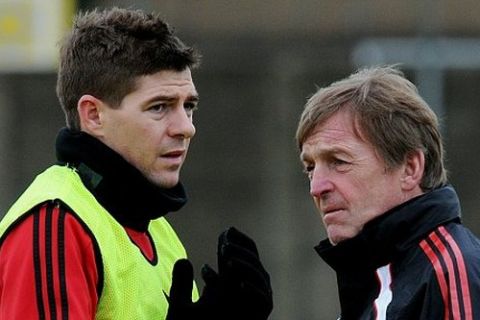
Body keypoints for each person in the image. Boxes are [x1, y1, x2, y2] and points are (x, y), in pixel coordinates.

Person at [0, 7, 272, 320]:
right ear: (93, 115)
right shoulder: (56, 223)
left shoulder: (159, 231)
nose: (186, 127)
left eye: (189, 106)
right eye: (159, 107)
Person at [296, 66, 480, 319]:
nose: (316, 188)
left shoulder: (450, 273)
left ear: (410, 168)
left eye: (339, 161)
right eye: (310, 168)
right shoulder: (372, 278)